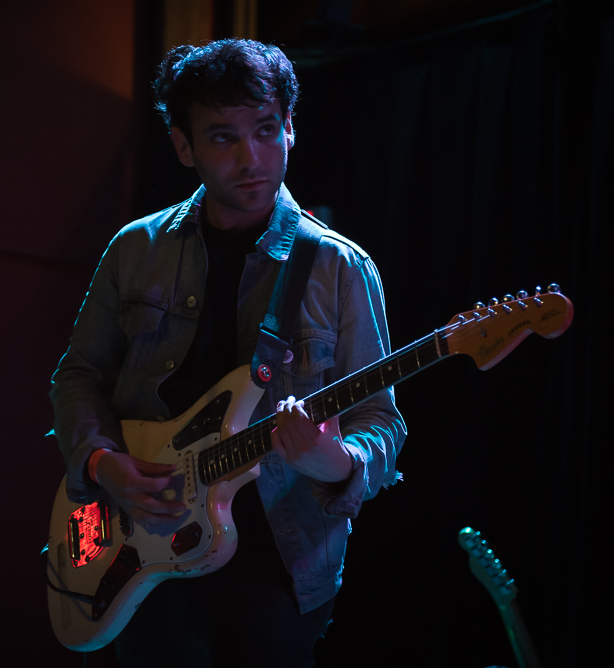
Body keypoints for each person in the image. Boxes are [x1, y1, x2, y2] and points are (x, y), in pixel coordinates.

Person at [50, 39, 406, 667]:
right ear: (183, 146)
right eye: (222, 138)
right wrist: (104, 466)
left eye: (267, 129)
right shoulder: (136, 250)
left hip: (278, 562)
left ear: (290, 128)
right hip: (136, 539)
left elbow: (381, 421)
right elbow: (78, 375)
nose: (252, 158)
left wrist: (340, 460)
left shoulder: (339, 268)